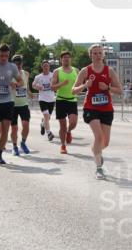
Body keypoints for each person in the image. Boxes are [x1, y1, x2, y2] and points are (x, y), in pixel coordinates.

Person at [73, 44, 122, 179]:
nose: (98, 55)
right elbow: (73, 90)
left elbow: (120, 91)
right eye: (95, 53)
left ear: (104, 55)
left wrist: (107, 87)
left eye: (100, 53)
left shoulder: (109, 70)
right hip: (91, 107)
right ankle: (99, 168)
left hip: (106, 109)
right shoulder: (85, 71)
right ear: (91, 55)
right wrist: (85, 85)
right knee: (99, 137)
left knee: (105, 142)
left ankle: (96, 152)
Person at [51, 51, 79, 155]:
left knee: (73, 123)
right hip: (61, 100)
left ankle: (68, 131)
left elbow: (80, 84)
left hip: (72, 100)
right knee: (62, 125)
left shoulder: (76, 70)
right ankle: (63, 145)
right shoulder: (57, 71)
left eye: (68, 57)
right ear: (61, 60)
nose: (66, 59)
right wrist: (62, 83)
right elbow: (52, 87)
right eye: (64, 57)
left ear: (70, 59)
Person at [9, 54, 32, 156]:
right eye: (16, 63)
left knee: (26, 125)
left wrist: (29, 92)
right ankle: (14, 146)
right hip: (12, 105)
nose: (19, 65)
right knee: (14, 128)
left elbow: (26, 86)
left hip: (23, 104)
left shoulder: (26, 74)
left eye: (20, 63)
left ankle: (22, 142)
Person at [33, 60, 56, 142]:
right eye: (44, 66)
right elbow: (33, 85)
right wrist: (37, 87)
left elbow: (57, 83)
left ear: (49, 67)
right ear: (42, 67)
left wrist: (55, 86)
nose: (46, 67)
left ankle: (42, 124)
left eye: (47, 65)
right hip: (42, 99)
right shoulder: (38, 77)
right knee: (46, 116)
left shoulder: (53, 75)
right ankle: (49, 133)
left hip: (51, 99)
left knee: (47, 118)